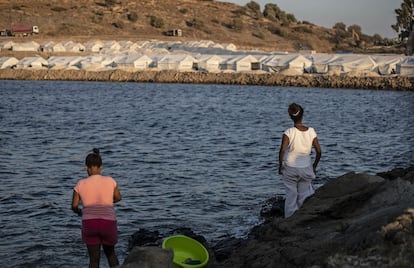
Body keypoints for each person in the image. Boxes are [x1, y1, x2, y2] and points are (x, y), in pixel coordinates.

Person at [71, 148, 122, 268]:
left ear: (86, 167)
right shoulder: (111, 181)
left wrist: (80, 212)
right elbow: (118, 198)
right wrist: (107, 202)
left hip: (89, 224)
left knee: (94, 260)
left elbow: (74, 206)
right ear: (101, 167)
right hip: (108, 223)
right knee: (111, 255)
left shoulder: (80, 184)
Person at [278, 103, 321, 218]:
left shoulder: (288, 132)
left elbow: (282, 151)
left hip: (290, 169)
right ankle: (303, 218)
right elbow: (319, 151)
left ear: (291, 117)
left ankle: (290, 219)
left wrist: (280, 166)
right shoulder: (311, 131)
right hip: (306, 168)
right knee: (304, 195)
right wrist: (314, 166)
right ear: (302, 116)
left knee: (291, 196)